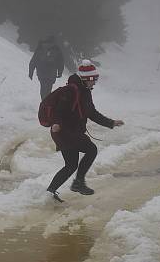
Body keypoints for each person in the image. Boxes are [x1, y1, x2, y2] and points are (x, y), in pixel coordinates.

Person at [45, 60, 124, 201]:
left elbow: (92, 113)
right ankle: (78, 183)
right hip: (64, 132)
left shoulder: (85, 92)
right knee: (91, 149)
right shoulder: (71, 91)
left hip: (70, 132)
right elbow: (59, 110)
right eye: (94, 79)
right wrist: (56, 123)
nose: (94, 82)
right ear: (87, 78)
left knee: (70, 165)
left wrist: (111, 123)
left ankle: (51, 191)